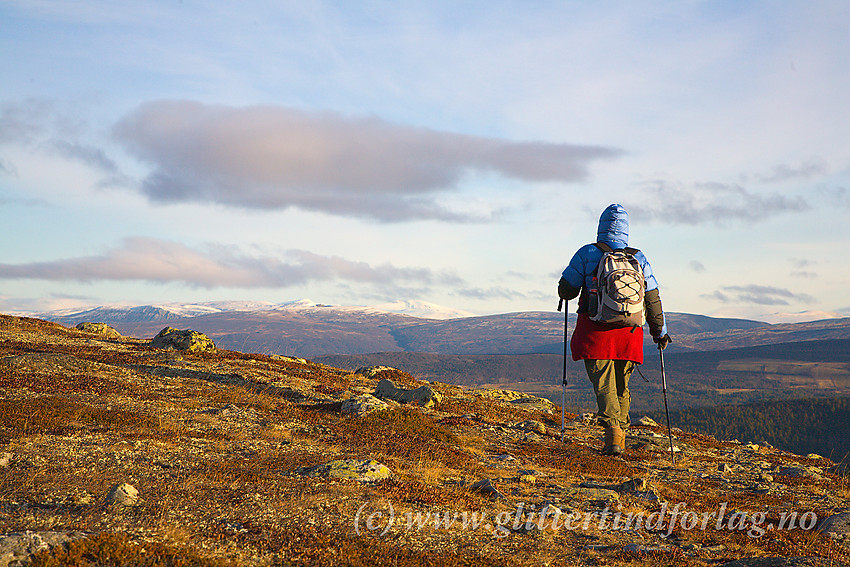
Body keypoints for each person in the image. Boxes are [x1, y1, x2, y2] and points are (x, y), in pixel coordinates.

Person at [558, 204, 671, 455]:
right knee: (621, 384)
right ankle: (620, 434)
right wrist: (660, 332)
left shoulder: (587, 253)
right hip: (629, 334)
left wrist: (564, 288)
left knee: (604, 385)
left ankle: (613, 438)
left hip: (595, 332)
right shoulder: (638, 258)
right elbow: (652, 298)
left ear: (601, 227)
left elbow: (567, 289)